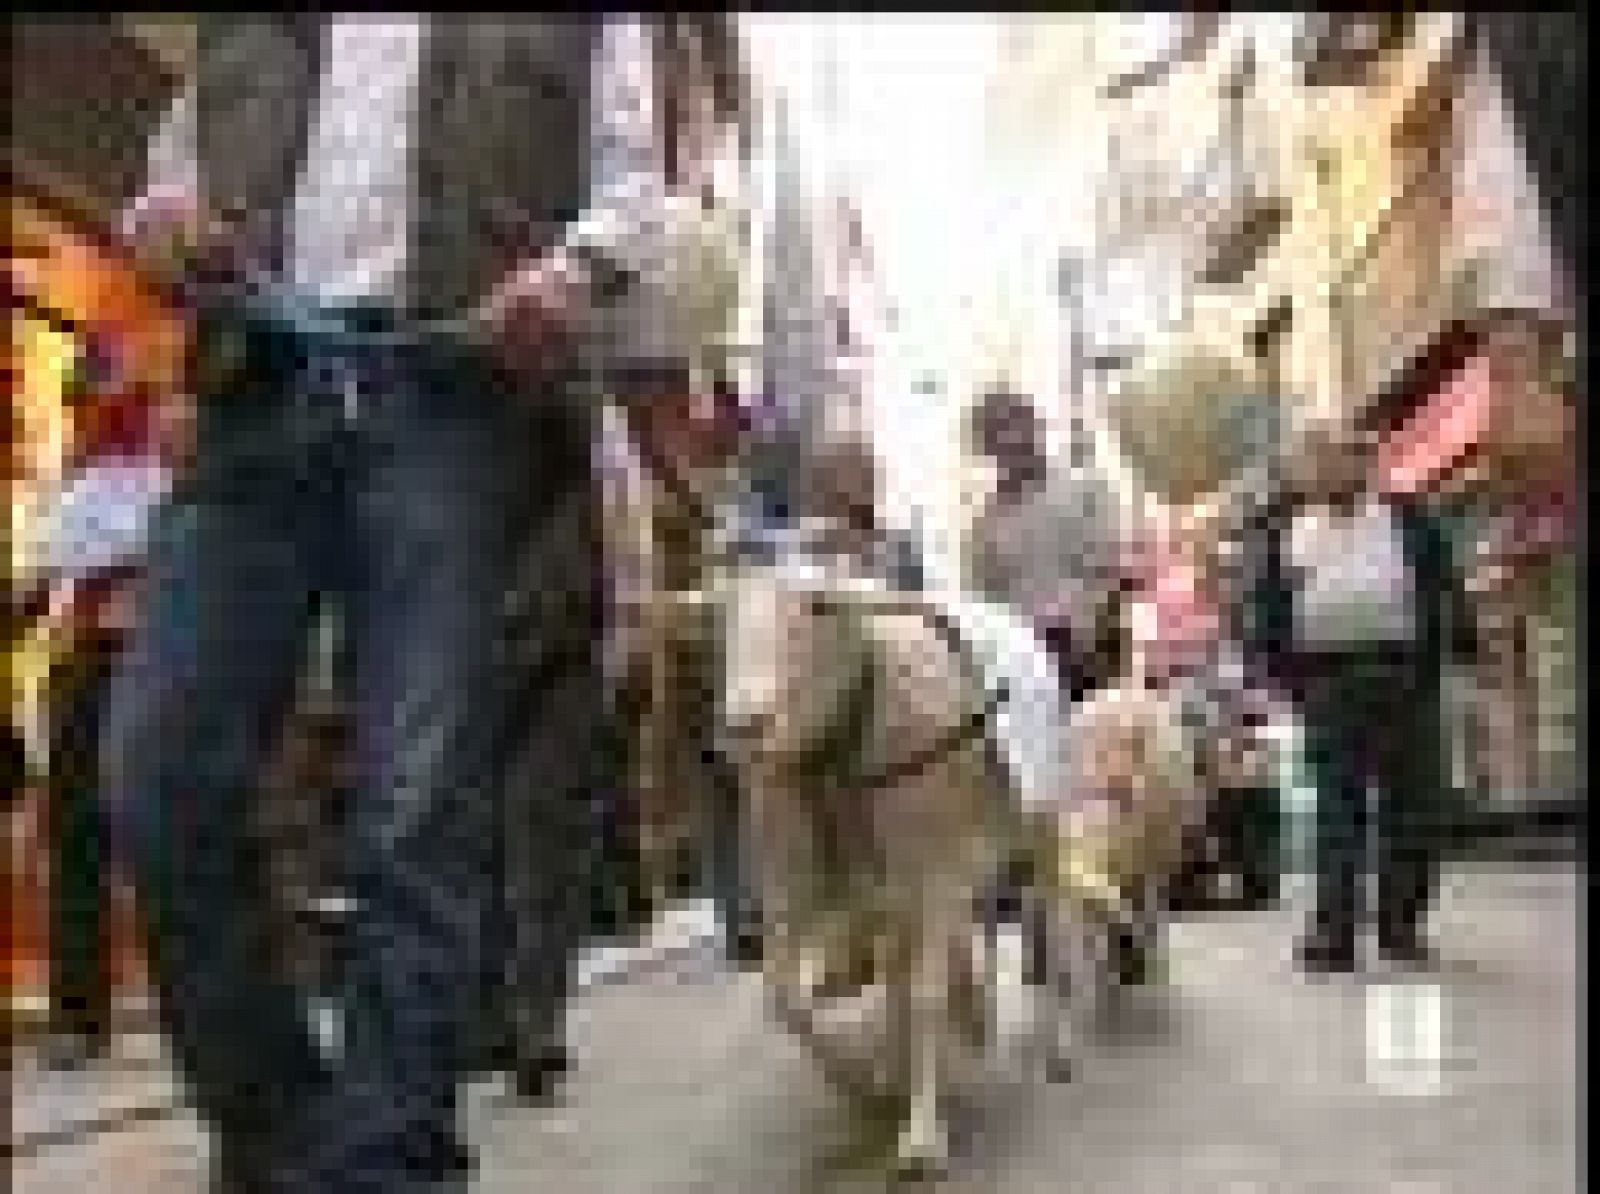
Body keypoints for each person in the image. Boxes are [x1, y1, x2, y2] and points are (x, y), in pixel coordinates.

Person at [114, 17, 740, 1192]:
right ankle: (283, 1132)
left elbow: (634, 195)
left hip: (453, 402)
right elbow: (170, 169)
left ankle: (392, 1158)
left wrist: (569, 277)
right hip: (258, 390)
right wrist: (160, 221)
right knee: (158, 777)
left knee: (413, 806)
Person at [1244, 426, 1475, 974]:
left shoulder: (1406, 517)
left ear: (1362, 463)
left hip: (1403, 673)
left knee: (1413, 803)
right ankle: (1334, 931)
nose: (1324, 472)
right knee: (1336, 810)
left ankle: (1400, 926)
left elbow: (1444, 584)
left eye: (1336, 460)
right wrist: (1284, 680)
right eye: (1314, 463)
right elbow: (1270, 608)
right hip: (1328, 680)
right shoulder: (1289, 530)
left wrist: (1456, 656)